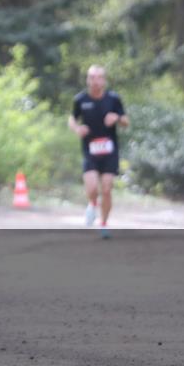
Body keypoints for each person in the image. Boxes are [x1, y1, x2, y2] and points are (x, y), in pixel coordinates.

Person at [67, 65, 129, 239]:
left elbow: (126, 121)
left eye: (98, 77)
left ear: (104, 80)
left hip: (110, 151)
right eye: (91, 77)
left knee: (107, 189)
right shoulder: (80, 99)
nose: (95, 81)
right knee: (93, 187)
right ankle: (92, 203)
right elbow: (72, 118)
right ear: (87, 80)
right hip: (90, 150)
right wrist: (77, 128)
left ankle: (103, 224)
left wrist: (116, 118)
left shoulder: (113, 99)